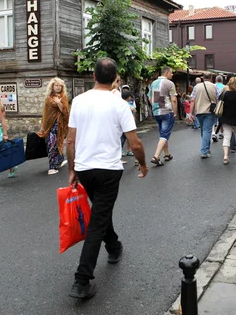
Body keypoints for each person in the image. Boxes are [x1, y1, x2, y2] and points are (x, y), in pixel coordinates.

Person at [67, 57, 148, 300]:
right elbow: (134, 142)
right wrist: (143, 164)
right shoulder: (119, 104)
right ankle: (82, 280)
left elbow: (70, 140)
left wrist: (72, 170)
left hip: (84, 168)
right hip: (108, 170)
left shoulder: (78, 101)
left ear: (93, 76)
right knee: (98, 219)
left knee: (101, 213)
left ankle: (113, 247)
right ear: (115, 79)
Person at [37, 78, 70, 175]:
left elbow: (65, 112)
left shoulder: (63, 97)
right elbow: (45, 113)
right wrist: (43, 125)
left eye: (60, 86)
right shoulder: (48, 97)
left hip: (58, 125)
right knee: (51, 144)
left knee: (55, 144)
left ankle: (55, 164)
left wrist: (59, 103)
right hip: (49, 125)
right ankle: (55, 163)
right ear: (52, 86)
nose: (58, 87)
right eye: (56, 85)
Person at [148, 66, 178, 166]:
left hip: (156, 112)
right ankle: (156, 156)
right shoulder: (170, 83)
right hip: (166, 111)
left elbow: (150, 98)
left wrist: (155, 107)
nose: (172, 74)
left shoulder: (154, 83)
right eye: (171, 73)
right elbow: (174, 99)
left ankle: (167, 154)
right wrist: (175, 112)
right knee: (164, 135)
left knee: (162, 134)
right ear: (166, 73)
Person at [193, 74, 218, 158]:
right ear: (211, 78)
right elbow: (218, 98)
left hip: (199, 111)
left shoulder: (196, 87)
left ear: (203, 78)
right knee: (207, 130)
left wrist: (190, 113)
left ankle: (206, 149)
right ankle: (204, 151)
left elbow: (192, 99)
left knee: (203, 130)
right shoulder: (214, 86)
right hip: (210, 111)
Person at [212, 75, 226, 142]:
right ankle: (221, 133)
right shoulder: (225, 87)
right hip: (222, 105)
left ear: (215, 80)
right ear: (222, 80)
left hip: (214, 104)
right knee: (221, 119)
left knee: (213, 120)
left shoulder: (213, 86)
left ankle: (213, 133)